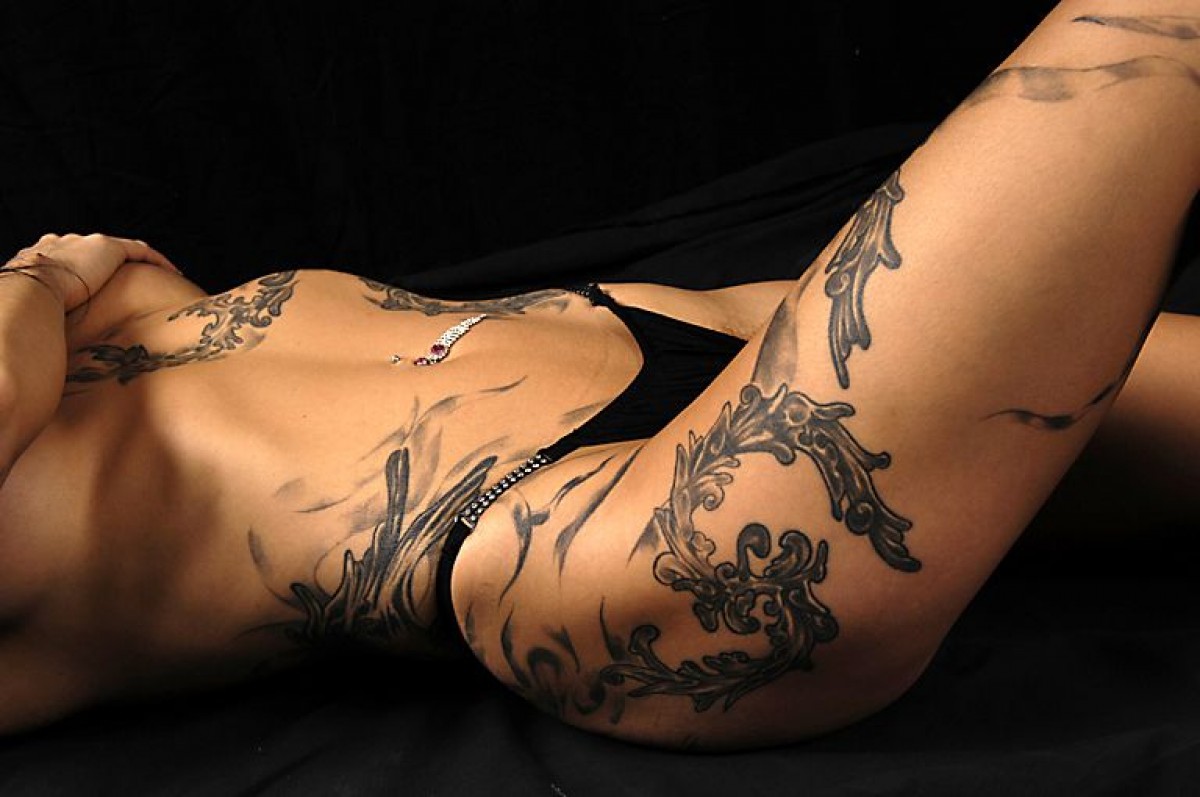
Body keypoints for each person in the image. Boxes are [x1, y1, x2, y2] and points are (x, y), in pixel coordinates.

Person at [0, 0, 1197, 751]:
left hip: (718, 349)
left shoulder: (75, 329)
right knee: (1148, 33)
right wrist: (40, 277)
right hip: (612, 541)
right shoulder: (38, 310)